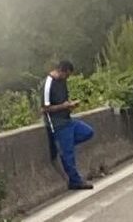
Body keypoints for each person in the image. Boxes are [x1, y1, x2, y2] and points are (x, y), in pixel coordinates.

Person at [42, 61, 94, 190]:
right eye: (67, 75)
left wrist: (70, 105)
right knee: (68, 154)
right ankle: (75, 181)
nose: (67, 78)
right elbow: (44, 108)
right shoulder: (49, 83)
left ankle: (65, 146)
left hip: (68, 120)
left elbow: (64, 101)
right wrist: (63, 106)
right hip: (58, 124)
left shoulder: (62, 82)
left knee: (88, 132)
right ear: (61, 71)